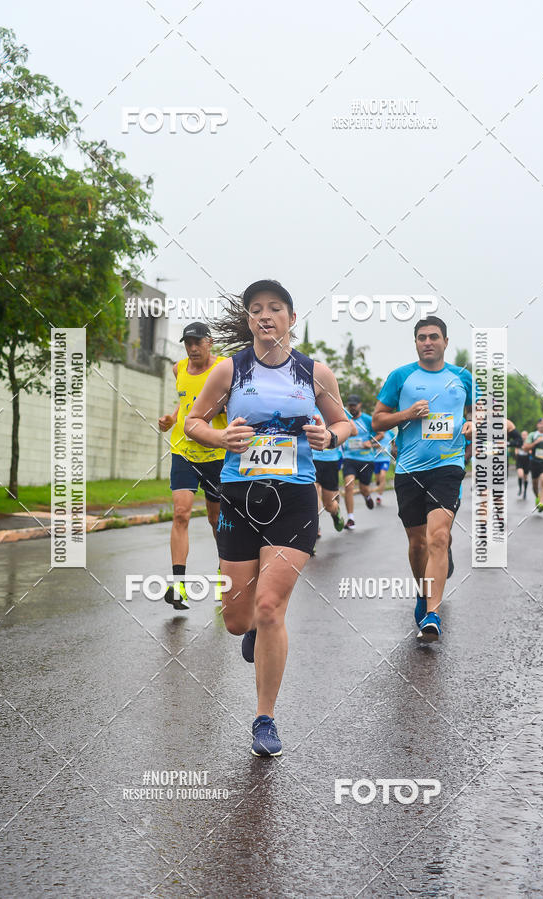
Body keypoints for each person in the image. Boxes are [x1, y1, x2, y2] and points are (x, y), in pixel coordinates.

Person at [185, 280, 353, 757]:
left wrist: (331, 437)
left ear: (291, 318)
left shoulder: (314, 372)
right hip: (240, 496)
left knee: (270, 605)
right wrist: (221, 439)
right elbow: (193, 422)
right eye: (256, 309)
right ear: (249, 318)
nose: (265, 315)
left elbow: (346, 423)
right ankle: (253, 629)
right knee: (238, 620)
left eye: (275, 308)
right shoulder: (230, 370)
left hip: (295, 499)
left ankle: (265, 719)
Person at [372, 316, 473, 642]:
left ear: (446, 341)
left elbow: (482, 409)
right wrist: (406, 415)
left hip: (449, 465)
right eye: (421, 337)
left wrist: (474, 423)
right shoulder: (401, 377)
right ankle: (422, 590)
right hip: (410, 470)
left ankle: (432, 613)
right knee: (418, 544)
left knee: (438, 538)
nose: (427, 342)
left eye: (433, 337)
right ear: (416, 342)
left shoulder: (462, 377)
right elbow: (377, 421)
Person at [157, 323, 227, 610]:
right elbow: (186, 401)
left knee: (216, 520)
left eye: (198, 342)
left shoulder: (225, 368)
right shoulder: (179, 369)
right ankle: (179, 586)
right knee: (181, 515)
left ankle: (225, 578)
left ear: (210, 342)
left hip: (216, 454)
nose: (192, 348)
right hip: (183, 450)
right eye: (188, 343)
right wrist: (172, 419)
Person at [312, 406, 353, 543]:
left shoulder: (333, 406)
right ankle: (313, 530)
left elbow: (352, 430)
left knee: (329, 504)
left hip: (330, 461)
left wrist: (330, 434)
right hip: (310, 459)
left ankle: (336, 513)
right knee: (312, 494)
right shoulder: (305, 404)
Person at [342, 394, 377, 529]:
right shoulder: (345, 419)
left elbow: (380, 434)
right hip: (350, 458)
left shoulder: (368, 419)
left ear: (359, 405)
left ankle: (367, 496)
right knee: (348, 485)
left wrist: (370, 442)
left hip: (366, 459)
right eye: (350, 406)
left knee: (364, 489)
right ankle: (351, 518)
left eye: (354, 405)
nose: (352, 408)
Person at [524, 419, 543, 513]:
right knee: (535, 484)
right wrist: (535, 442)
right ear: (537, 425)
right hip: (534, 462)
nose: (542, 425)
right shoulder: (532, 435)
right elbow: (525, 448)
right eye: (540, 423)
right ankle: (537, 496)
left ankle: (541, 503)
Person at [373, 428, 396, 505]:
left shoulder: (390, 433)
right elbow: (370, 443)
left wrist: (394, 449)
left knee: (382, 476)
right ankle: (379, 487)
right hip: (375, 459)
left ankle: (379, 496)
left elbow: (394, 442)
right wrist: (376, 445)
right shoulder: (375, 432)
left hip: (385, 458)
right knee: (378, 480)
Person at [514, 430, 530, 499]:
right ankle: (520, 488)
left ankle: (525, 492)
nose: (523, 436)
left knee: (525, 477)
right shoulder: (519, 442)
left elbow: (531, 451)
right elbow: (516, 449)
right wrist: (516, 453)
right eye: (522, 435)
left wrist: (526, 449)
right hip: (520, 459)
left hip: (526, 460)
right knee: (520, 475)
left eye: (525, 435)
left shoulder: (529, 443)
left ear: (527, 436)